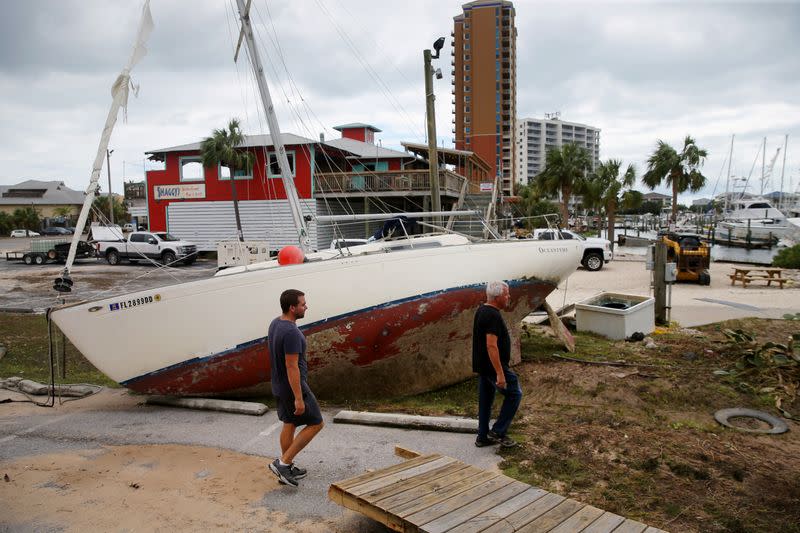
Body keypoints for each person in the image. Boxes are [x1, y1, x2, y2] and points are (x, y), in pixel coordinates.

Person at [267, 289, 324, 486]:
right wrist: (299, 398)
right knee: (316, 422)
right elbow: (291, 366)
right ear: (292, 308)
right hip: (293, 387)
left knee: (289, 424)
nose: (306, 306)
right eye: (302, 304)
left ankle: (286, 468)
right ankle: (283, 463)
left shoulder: (276, 323)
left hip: (278, 384)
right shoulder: (291, 332)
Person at [472, 281, 522, 448]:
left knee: (485, 401)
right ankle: (498, 431)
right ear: (498, 296)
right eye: (507, 294)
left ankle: (482, 436)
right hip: (492, 367)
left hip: (483, 366)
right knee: (514, 393)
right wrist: (500, 372)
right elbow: (491, 345)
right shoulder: (492, 315)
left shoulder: (481, 310)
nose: (509, 297)